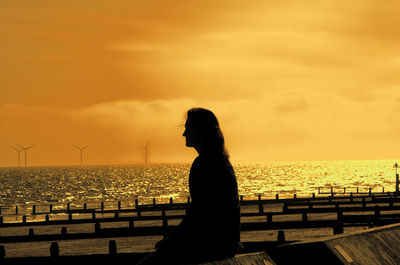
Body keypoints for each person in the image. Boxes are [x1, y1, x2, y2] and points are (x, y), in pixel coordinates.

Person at [136, 107, 241, 264]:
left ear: (201, 131)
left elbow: (199, 214)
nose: (184, 134)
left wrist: (170, 242)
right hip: (226, 242)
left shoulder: (204, 164)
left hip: (210, 245)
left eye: (188, 129)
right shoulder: (223, 162)